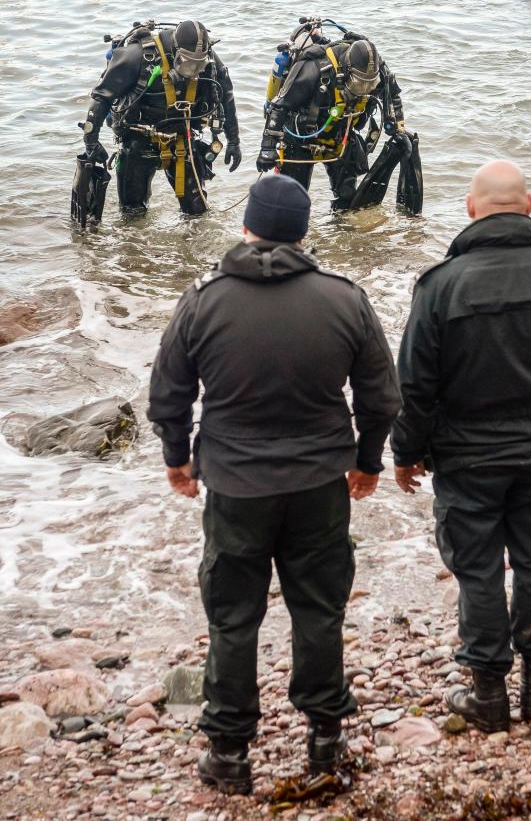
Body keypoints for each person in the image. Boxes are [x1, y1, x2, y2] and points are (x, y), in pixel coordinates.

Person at [147, 173, 401, 794]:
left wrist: (177, 458)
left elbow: (169, 393)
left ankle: (230, 751)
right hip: (319, 481)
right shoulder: (344, 298)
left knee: (234, 615)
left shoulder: (203, 299)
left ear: (246, 226)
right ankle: (325, 736)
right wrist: (367, 462)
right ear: (304, 231)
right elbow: (381, 396)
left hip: (236, 485)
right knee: (318, 606)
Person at [391, 160, 531, 733]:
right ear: (529, 205)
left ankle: (488, 693)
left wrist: (405, 452)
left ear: (471, 209)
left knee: (479, 570)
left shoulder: (440, 285)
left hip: (466, 457)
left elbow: (414, 384)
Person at [80, 19, 241, 217]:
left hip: (183, 139)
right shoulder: (138, 57)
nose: (193, 70)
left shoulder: (211, 62)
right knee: (132, 213)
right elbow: (101, 97)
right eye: (187, 62)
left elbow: (227, 97)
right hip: (138, 139)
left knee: (197, 211)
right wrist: (91, 141)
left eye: (199, 64)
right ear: (175, 50)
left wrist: (234, 141)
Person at [256, 18, 413, 211]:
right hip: (301, 140)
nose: (363, 89)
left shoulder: (378, 71)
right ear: (345, 71)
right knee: (291, 202)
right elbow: (279, 106)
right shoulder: (314, 68)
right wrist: (267, 148)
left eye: (369, 85)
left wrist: (398, 129)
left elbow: (393, 96)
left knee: (348, 201)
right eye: (359, 83)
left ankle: (340, 236)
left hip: (340, 137)